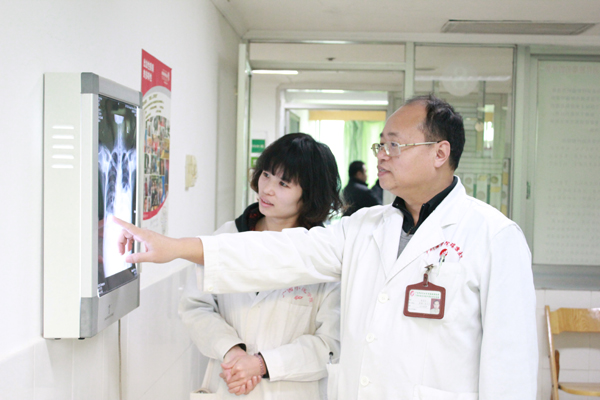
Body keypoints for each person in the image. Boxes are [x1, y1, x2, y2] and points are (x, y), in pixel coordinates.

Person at [115, 94, 538, 399]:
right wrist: (177, 247)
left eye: (394, 144)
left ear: (440, 153)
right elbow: (284, 251)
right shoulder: (365, 227)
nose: (381, 155)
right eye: (380, 144)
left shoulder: (493, 236)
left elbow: (511, 366)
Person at [178, 133, 342, 399]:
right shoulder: (228, 236)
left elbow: (330, 343)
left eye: (283, 183)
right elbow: (196, 306)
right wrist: (231, 351)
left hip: (290, 390)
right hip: (229, 383)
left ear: (310, 195)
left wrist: (262, 364)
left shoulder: (324, 256)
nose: (267, 189)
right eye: (266, 174)